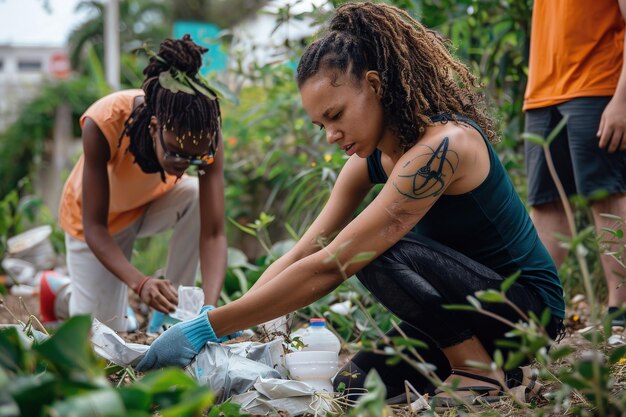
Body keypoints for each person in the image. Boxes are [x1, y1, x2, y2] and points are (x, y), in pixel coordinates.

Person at [137, 2, 565, 406]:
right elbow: (307, 248)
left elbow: (333, 263)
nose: (330, 136)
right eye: (320, 123)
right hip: (466, 312)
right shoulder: (370, 161)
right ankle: (500, 372)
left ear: (375, 86)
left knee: (371, 248)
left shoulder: (446, 146)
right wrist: (234, 321)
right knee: (350, 388)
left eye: (336, 115)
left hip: (526, 311)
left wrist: (206, 328)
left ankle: (478, 373)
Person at [39, 35, 227, 333]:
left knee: (192, 194)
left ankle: (171, 313)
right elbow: (95, 228)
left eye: (194, 159)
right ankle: (58, 291)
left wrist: (210, 309)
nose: (183, 165)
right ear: (155, 127)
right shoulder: (104, 122)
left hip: (150, 205)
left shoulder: (203, 133)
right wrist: (141, 283)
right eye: (175, 153)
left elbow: (214, 232)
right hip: (98, 224)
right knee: (104, 331)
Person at [523, 0, 626, 325]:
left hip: (598, 86)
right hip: (543, 92)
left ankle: (620, 315)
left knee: (605, 196)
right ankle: (531, 314)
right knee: (547, 206)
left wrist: (622, 100)